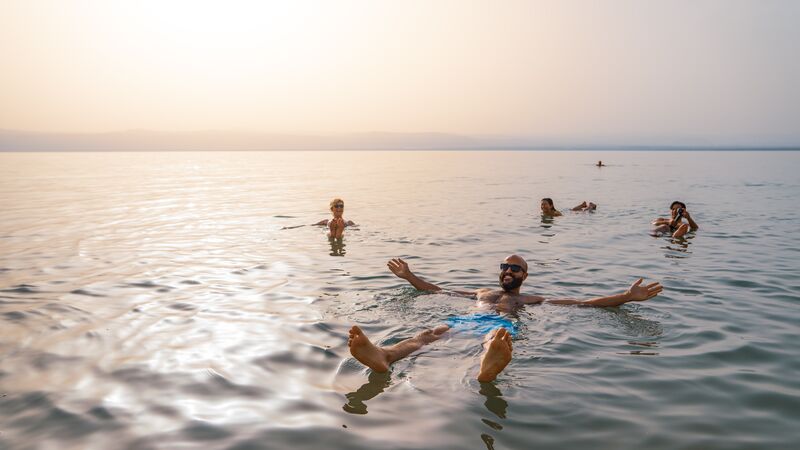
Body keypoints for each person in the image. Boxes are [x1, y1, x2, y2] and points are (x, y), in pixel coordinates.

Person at [347, 255, 662, 382]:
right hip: (466, 320)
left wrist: (625, 296)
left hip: (501, 325)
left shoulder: (529, 299)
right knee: (429, 333)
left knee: (494, 338)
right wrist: (409, 276)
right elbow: (436, 290)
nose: (508, 271)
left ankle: (488, 368)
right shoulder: (481, 292)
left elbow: (584, 303)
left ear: (524, 275)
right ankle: (385, 355)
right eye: (505, 266)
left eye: (515, 268)